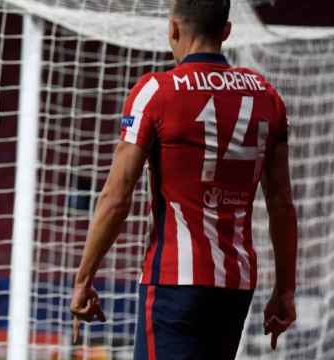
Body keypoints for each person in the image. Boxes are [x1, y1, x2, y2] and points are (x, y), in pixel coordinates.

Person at [70, 0, 297, 359]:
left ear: (172, 29)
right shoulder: (267, 97)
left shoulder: (157, 91)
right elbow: (281, 202)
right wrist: (285, 289)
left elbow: (116, 197)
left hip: (175, 280)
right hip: (235, 285)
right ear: (226, 32)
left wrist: (84, 278)